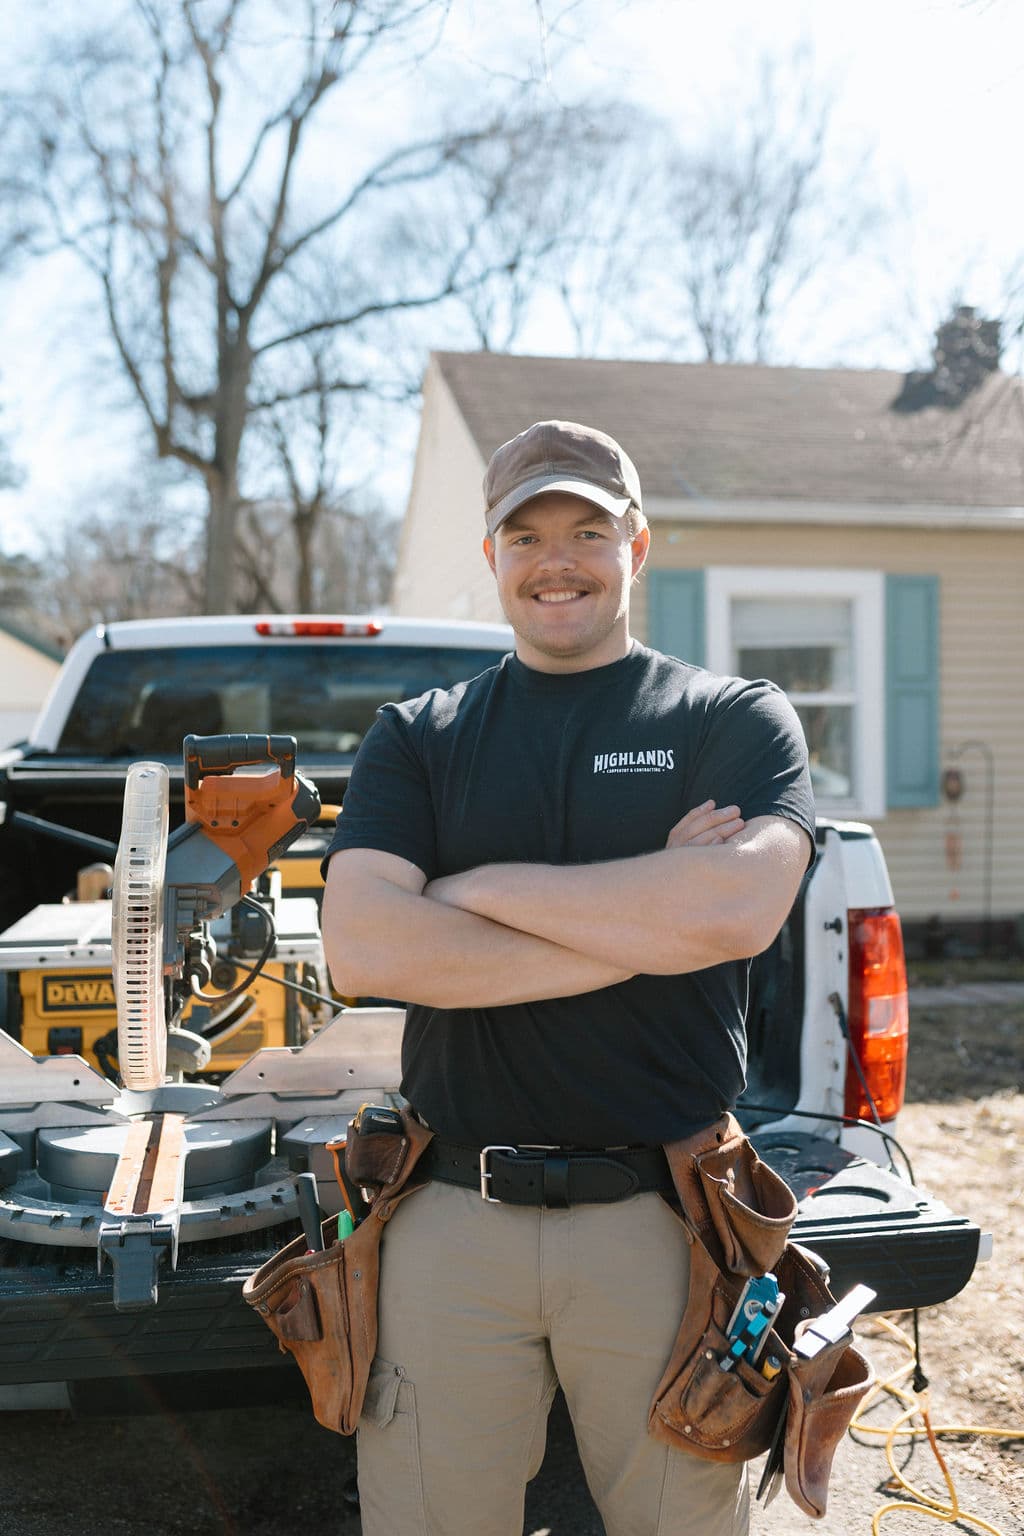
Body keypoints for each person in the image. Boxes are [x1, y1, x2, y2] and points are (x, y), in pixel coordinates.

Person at [321, 418, 815, 1536]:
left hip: (661, 1217)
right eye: (526, 532)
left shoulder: (729, 720)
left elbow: (738, 906)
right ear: (492, 555)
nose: (558, 559)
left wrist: (468, 887)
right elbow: (366, 950)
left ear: (637, 546)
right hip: (450, 1218)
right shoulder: (421, 736)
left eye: (588, 528)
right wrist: (651, 918)